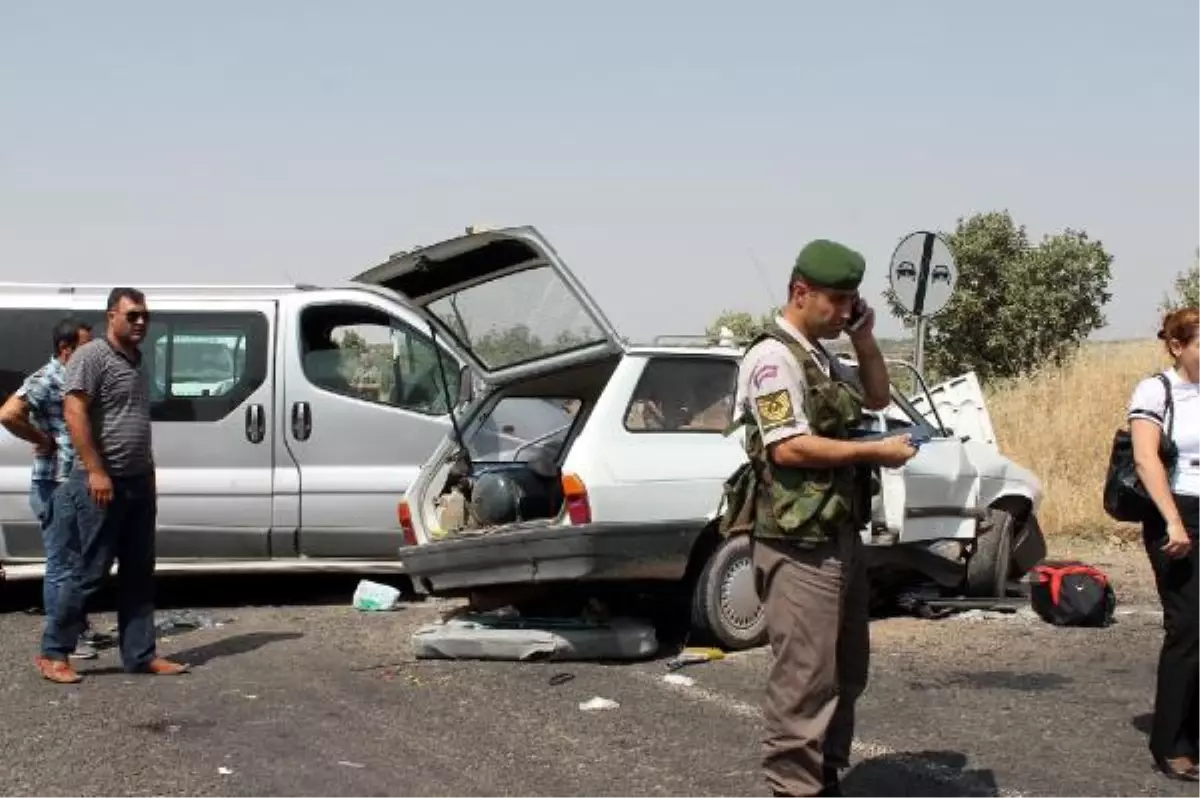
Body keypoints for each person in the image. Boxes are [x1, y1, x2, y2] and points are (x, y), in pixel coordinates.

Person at [731, 239, 918, 797]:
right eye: (837, 302)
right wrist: (874, 454)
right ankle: (795, 788)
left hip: (836, 533)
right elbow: (788, 448)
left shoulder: (820, 354)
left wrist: (863, 339)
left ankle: (826, 776)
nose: (843, 312)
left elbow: (880, 398)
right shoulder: (773, 359)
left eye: (850, 303)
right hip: (797, 542)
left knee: (845, 670)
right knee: (805, 678)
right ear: (800, 292)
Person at [35, 287, 189, 684]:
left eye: (144, 316)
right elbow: (74, 411)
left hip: (138, 481)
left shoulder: (138, 360)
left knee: (139, 572)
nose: (140, 322)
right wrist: (96, 470)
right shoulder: (91, 356)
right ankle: (54, 653)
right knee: (89, 571)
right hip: (101, 482)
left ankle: (140, 654)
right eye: (132, 315)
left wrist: (148, 472)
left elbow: (132, 418)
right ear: (111, 317)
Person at [0, 316, 103, 660]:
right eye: (86, 347)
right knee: (63, 564)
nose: (93, 354)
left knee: (77, 559)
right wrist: (42, 438)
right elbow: (9, 414)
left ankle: (78, 627)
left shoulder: (76, 378)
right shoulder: (47, 378)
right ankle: (64, 641)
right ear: (65, 348)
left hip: (72, 481)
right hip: (54, 484)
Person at [1129, 306, 1200, 781]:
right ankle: (1171, 743)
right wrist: (1174, 521)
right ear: (1178, 345)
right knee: (1190, 626)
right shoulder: (1157, 390)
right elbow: (1145, 459)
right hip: (1177, 513)